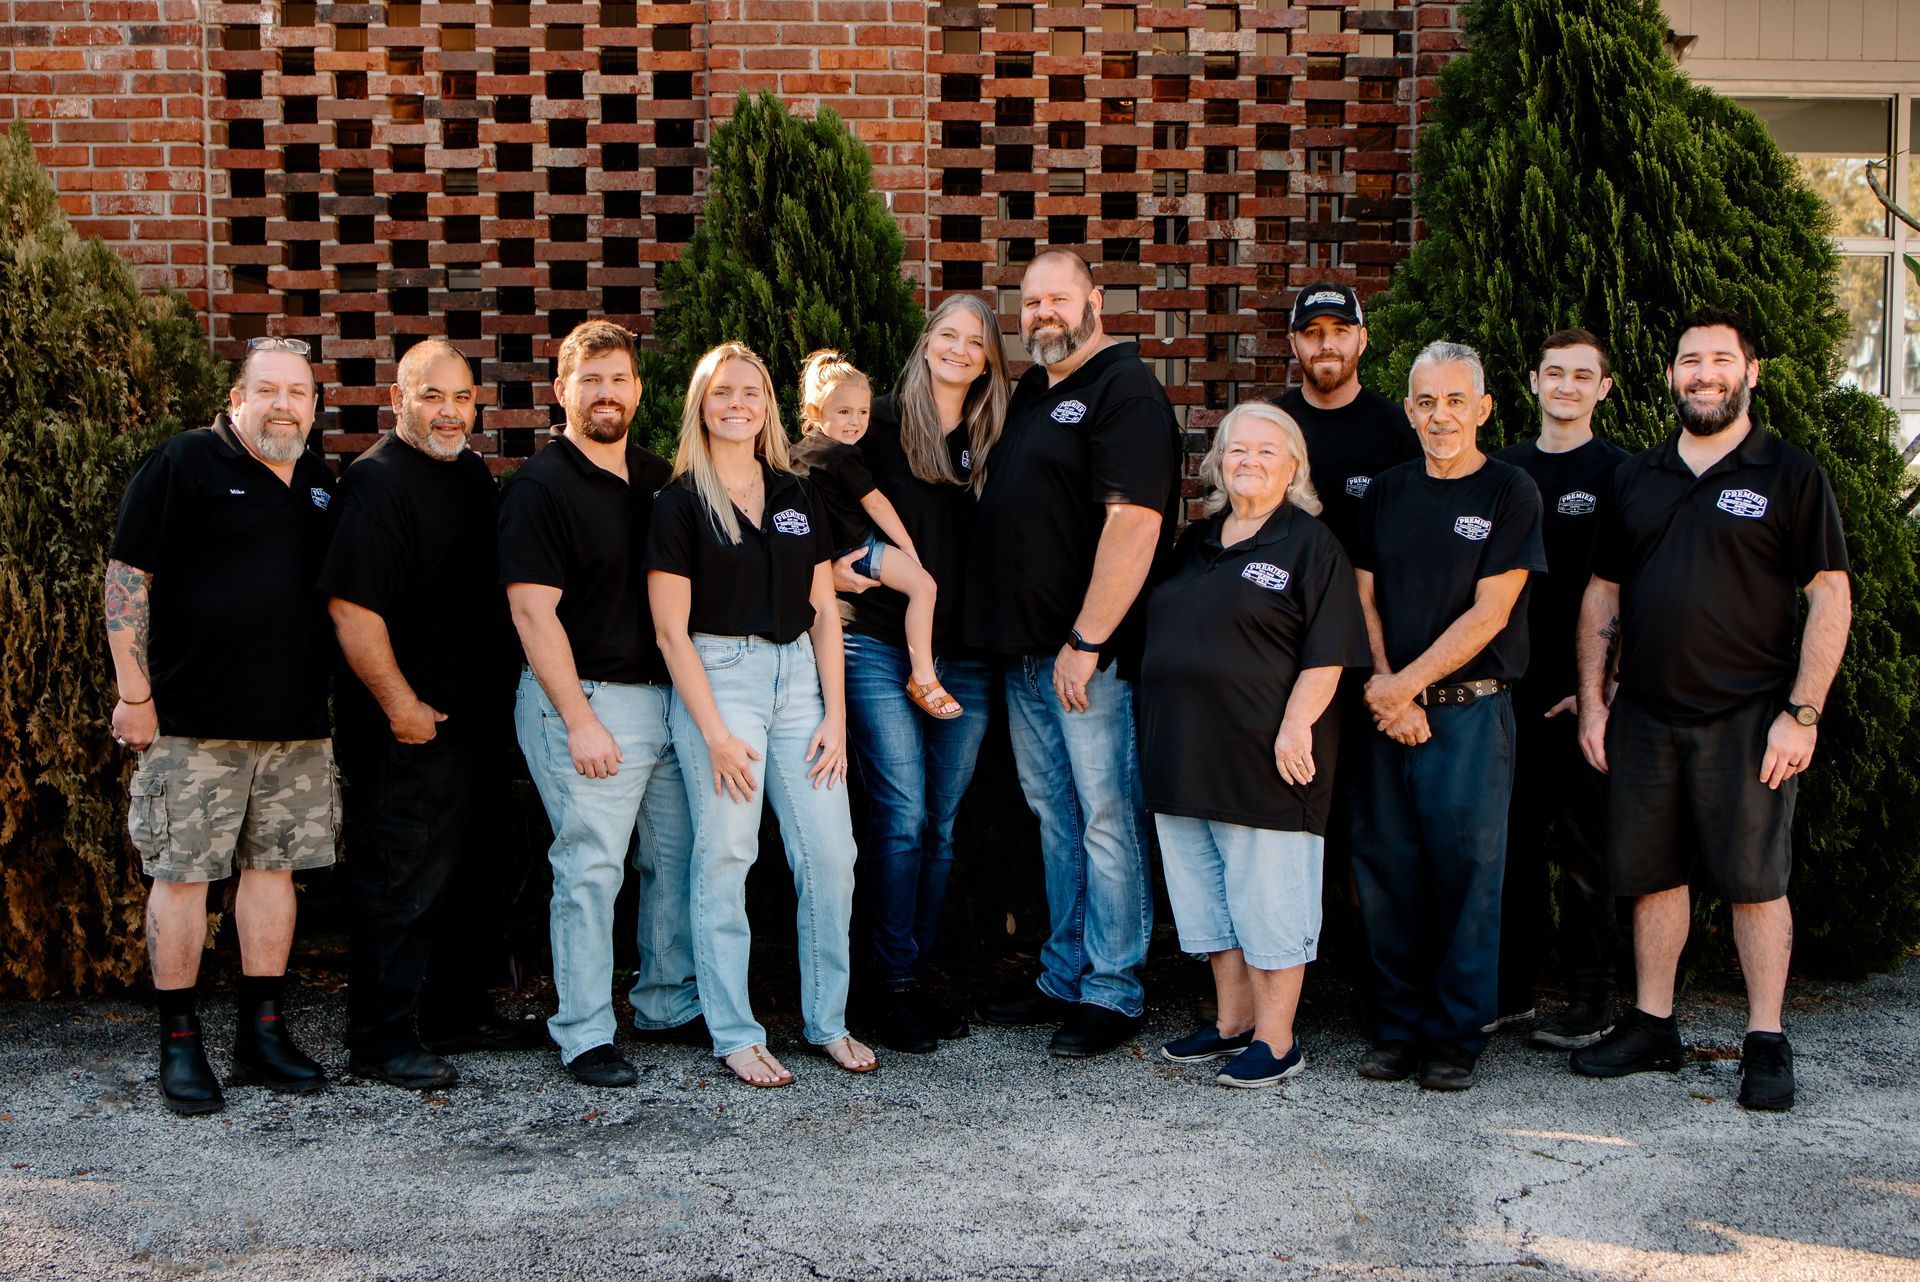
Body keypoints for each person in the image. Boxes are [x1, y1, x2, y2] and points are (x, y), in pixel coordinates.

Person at [1571, 309, 1851, 1112]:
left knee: (1756, 883)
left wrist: (1802, 713)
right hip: (1646, 715)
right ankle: (1653, 1025)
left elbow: (1831, 597)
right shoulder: (1638, 476)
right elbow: (1603, 595)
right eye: (1690, 361)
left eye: (1720, 361)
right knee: (1653, 877)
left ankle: (1765, 1039)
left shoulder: (1790, 474)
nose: (1704, 374)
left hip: (1749, 717)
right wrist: (1594, 705)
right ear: (1670, 376)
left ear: (1750, 373)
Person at [106, 336, 337, 1115]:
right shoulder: (184, 464)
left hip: (297, 725)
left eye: (297, 393)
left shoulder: (316, 478)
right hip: (194, 723)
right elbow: (127, 578)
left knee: (273, 876)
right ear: (237, 398)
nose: (282, 405)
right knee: (184, 879)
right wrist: (134, 694)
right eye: (266, 390)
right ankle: (179, 1044)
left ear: (313, 404)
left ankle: (261, 1033)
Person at [964, 247, 1181, 1058]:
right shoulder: (1033, 392)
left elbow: (1134, 524)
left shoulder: (1125, 392)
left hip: (1089, 657)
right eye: (1030, 303)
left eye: (1059, 298)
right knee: (1058, 818)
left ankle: (1115, 988)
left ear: (1097, 301)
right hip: (1026, 658)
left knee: (1106, 819)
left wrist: (1087, 641)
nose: (1042, 314)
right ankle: (1064, 974)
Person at [647, 341, 875, 1088]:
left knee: (831, 855)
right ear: (701, 407)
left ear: (768, 406)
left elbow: (823, 614)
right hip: (721, 683)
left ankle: (828, 1021)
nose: (736, 403)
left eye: (750, 391)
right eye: (722, 393)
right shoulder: (679, 502)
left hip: (800, 685)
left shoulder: (794, 494)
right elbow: (669, 632)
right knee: (727, 856)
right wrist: (712, 733)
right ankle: (735, 1031)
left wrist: (837, 716)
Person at [321, 339, 540, 1092]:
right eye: (431, 397)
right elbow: (352, 611)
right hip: (409, 731)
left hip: (477, 726)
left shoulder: (469, 472)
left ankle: (455, 1013)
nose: (449, 412)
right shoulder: (376, 484)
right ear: (399, 401)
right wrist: (402, 707)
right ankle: (380, 1038)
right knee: (401, 883)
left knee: (471, 877)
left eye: (460, 398)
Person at [1138, 403, 1370, 1087]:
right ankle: (1233, 1021)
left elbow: (1328, 654)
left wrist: (1297, 724)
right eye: (1237, 451)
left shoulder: (1311, 544)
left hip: (1267, 758)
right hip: (1183, 755)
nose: (1249, 462)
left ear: (1294, 466)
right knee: (1209, 899)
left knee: (1269, 899)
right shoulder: (1196, 540)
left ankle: (1278, 1038)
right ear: (1216, 464)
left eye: (1267, 452)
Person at [499, 320, 701, 1089]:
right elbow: (531, 613)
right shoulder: (539, 487)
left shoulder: (659, 478)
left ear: (640, 390)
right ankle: (584, 1030)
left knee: (675, 860)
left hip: (667, 705)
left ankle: (664, 1000)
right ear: (563, 391)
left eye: (618, 379)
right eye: (590, 380)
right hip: (583, 703)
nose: (606, 393)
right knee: (590, 870)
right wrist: (579, 720)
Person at [1350, 340, 1546, 1092]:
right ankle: (1398, 1030)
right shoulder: (1388, 492)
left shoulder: (1510, 491)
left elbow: (1491, 614)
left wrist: (1406, 688)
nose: (1440, 416)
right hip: (1387, 714)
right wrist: (1387, 688)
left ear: (1485, 407)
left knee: (1468, 877)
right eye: (1426, 402)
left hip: (1470, 716)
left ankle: (1455, 1036)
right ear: (1409, 410)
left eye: (1456, 400)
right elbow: (1364, 598)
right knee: (1387, 873)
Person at [831, 296, 1011, 1054]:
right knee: (899, 816)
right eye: (948, 335)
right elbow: (812, 484)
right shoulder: (873, 419)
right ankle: (887, 988)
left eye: (976, 342)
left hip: (963, 654)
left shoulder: (996, 434)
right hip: (875, 642)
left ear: (991, 359)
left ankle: (913, 973)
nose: (960, 350)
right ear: (925, 342)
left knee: (939, 825)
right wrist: (832, 565)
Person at [1490, 329, 1631, 1049]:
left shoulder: (1622, 474)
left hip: (1583, 701)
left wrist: (1600, 689)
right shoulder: (1502, 471)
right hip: (1505, 693)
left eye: (1584, 375)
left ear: (1604, 389)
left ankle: (1591, 1000)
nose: (1568, 386)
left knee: (1586, 854)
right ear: (1535, 383)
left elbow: (1634, 592)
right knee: (1508, 848)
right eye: (1555, 374)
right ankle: (1509, 991)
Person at [789, 349, 959, 719]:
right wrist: (908, 547)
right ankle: (924, 676)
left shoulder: (795, 456)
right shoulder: (842, 455)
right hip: (862, 550)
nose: (856, 422)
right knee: (924, 586)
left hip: (828, 558)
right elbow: (876, 503)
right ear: (817, 414)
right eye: (844, 412)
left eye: (863, 412)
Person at [1275, 281, 1422, 556]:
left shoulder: (1398, 429)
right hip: (1281, 592)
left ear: (1362, 339)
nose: (1326, 344)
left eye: (1340, 331)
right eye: (1312, 332)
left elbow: (1414, 531)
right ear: (1294, 344)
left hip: (1367, 594)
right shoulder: (1270, 426)